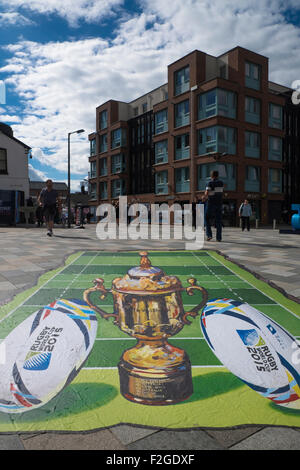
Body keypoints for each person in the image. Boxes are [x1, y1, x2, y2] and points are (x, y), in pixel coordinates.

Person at [203, 170, 224, 242]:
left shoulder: (210, 183)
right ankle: (219, 238)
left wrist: (204, 197)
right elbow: (220, 193)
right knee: (218, 221)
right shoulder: (221, 183)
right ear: (218, 175)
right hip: (219, 204)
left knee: (206, 218)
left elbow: (207, 192)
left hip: (211, 203)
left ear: (211, 176)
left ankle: (209, 235)